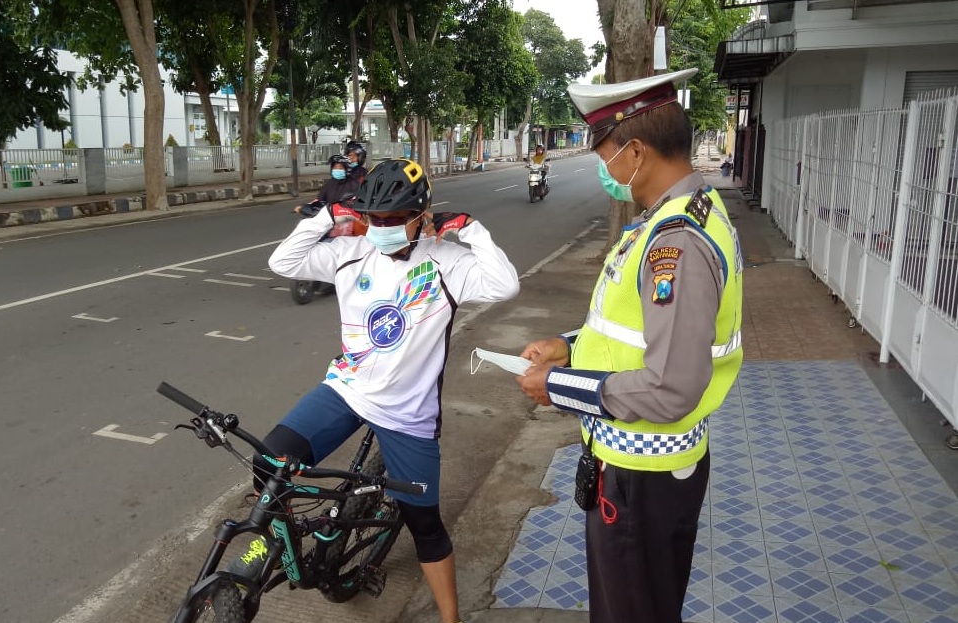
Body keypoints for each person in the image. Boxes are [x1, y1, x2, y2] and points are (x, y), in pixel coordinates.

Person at [515, 68, 744, 623]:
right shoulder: (671, 220)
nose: (604, 167)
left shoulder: (678, 243)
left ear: (635, 151)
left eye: (605, 153)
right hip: (635, 463)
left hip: (644, 473)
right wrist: (569, 347)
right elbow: (638, 332)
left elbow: (671, 388)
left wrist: (560, 387)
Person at [262, 158, 520, 623]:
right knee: (269, 466)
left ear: (423, 215)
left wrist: (472, 228)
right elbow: (283, 262)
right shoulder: (351, 252)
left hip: (408, 416)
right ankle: (315, 544)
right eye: (376, 218)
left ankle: (451, 619)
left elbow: (505, 285)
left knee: (426, 528)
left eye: (396, 219)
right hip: (345, 390)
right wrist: (328, 214)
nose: (383, 228)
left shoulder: (447, 261)